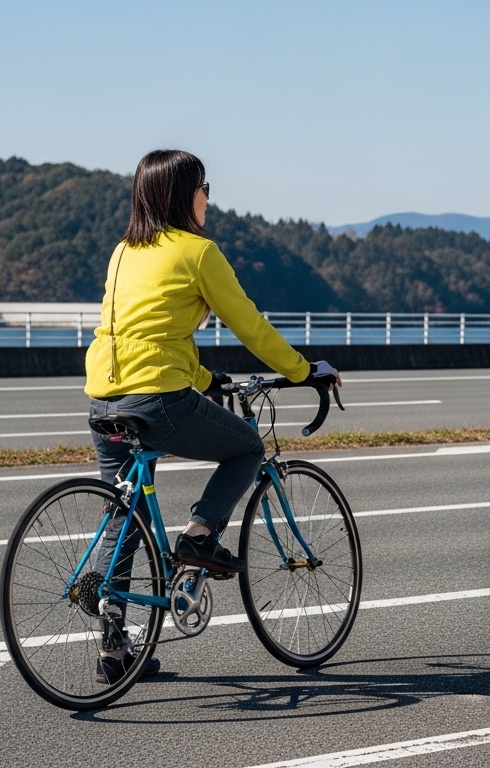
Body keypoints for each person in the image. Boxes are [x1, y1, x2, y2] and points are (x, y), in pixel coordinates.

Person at [83, 149, 339, 682]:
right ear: (183, 194)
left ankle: (114, 648)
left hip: (104, 398)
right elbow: (251, 326)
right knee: (247, 446)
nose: (209, 197)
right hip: (156, 399)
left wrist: (206, 380)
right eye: (205, 187)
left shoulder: (122, 252)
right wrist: (301, 371)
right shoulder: (199, 253)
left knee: (122, 515)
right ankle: (199, 536)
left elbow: (148, 334)